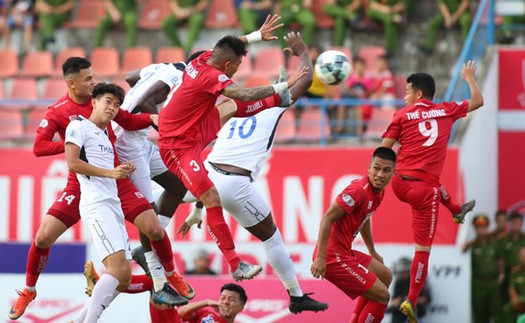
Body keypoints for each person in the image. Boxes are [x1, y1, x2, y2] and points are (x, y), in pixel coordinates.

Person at [8, 57, 182, 321]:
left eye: (93, 76)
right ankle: (29, 291)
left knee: (152, 228)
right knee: (43, 238)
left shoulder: (103, 101)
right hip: (82, 183)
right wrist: (75, 145)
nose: (93, 81)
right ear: (71, 82)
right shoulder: (59, 112)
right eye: (88, 79)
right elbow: (39, 147)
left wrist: (151, 118)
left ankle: (169, 276)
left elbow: (129, 121)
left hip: (116, 181)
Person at [176, 31, 328, 314]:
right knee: (271, 238)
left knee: (160, 195)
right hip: (234, 183)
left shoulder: (228, 106)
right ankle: (296, 296)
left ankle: (148, 256)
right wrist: (302, 50)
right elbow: (305, 80)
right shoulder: (271, 105)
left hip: (204, 173)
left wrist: (197, 209)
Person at [157, 15, 308, 281]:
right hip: (177, 147)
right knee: (211, 197)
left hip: (193, 132)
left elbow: (229, 45)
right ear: (227, 64)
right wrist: (286, 83)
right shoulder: (210, 76)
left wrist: (256, 36)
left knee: (235, 109)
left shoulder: (201, 58)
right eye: (237, 66)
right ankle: (235, 264)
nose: (237, 69)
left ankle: (278, 99)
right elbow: (244, 93)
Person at [380, 60, 484, 323]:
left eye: (406, 92)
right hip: (424, 190)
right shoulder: (447, 110)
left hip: (400, 183)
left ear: (417, 94)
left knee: (434, 186)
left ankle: (457, 209)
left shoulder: (401, 116)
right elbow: (478, 100)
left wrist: (375, 182)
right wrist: (469, 77)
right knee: (423, 250)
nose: (404, 96)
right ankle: (411, 301)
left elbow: (383, 150)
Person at [64, 83, 138, 322]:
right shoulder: (78, 126)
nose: (113, 108)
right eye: (108, 101)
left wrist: (120, 170)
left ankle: (79, 320)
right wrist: (110, 174)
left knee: (124, 276)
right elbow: (73, 164)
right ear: (93, 102)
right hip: (97, 205)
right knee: (116, 270)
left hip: (112, 204)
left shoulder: (105, 135)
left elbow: (105, 169)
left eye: (117, 105)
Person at [311, 147, 397, 322]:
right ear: (369, 167)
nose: (380, 174)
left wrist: (372, 250)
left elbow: (364, 218)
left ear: (393, 173)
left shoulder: (378, 193)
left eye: (386, 170)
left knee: (385, 275)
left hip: (344, 251)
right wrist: (320, 258)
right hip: (331, 256)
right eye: (377, 168)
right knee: (383, 296)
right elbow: (327, 218)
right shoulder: (358, 191)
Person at [463, 214, 503, 323]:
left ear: (487, 228)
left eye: (484, 228)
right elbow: (463, 249)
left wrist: (501, 274)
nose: (481, 231)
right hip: (478, 283)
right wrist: (472, 242)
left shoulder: (494, 243)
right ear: (475, 230)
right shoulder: (473, 245)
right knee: (480, 313)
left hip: (493, 282)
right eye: (478, 228)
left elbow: (499, 259)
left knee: (497, 312)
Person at [388, 257, 431, 323]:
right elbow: (394, 300)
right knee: (396, 314)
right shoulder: (399, 281)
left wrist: (410, 300)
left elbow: (426, 298)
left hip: (417, 310)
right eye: (401, 272)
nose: (402, 274)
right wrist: (402, 301)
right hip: (401, 311)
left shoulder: (419, 280)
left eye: (404, 272)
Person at [178, 283, 247, 323]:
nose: (225, 302)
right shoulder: (204, 313)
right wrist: (206, 302)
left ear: (241, 307)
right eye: (223, 298)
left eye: (231, 300)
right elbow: (179, 313)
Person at [499, 212, 525, 311]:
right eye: (513, 221)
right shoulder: (504, 239)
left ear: (522, 223)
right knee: (507, 305)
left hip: (522, 274)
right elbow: (501, 258)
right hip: (508, 275)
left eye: (517, 221)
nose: (515, 224)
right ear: (509, 223)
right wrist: (501, 273)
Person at [341, 56, 374, 135]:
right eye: (358, 65)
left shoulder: (366, 79)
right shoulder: (351, 78)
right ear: (354, 66)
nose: (360, 67)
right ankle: (340, 127)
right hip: (352, 99)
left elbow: (369, 91)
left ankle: (360, 132)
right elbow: (347, 89)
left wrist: (365, 94)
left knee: (359, 106)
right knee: (341, 104)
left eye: (361, 66)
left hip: (362, 101)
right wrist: (355, 93)